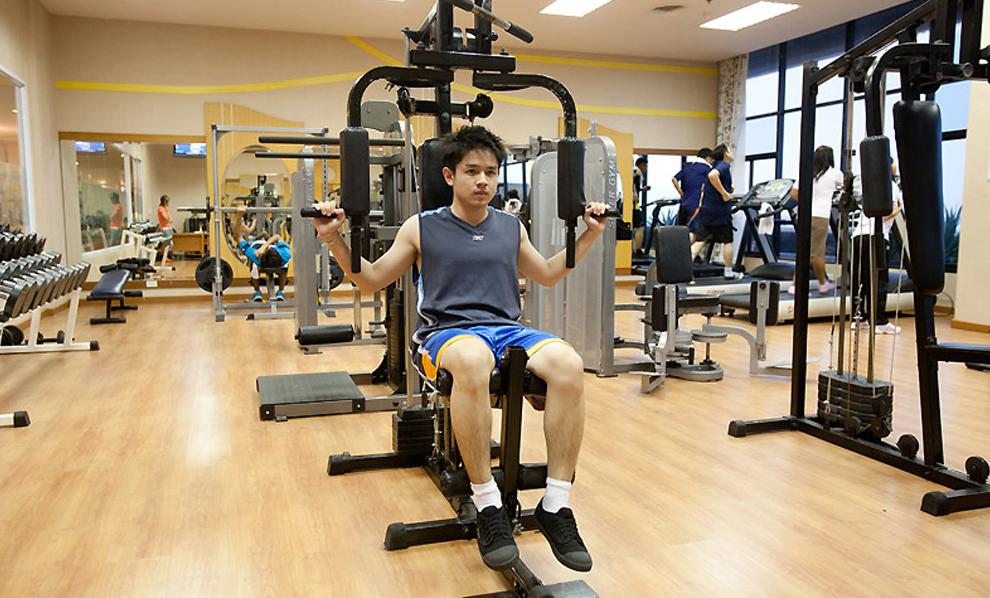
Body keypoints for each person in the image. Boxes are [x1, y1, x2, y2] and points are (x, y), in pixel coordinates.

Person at [311, 126, 607, 573]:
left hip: (507, 329)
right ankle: (487, 503)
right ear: (450, 176)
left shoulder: (511, 227)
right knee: (472, 360)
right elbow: (370, 278)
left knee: (568, 363)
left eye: (491, 171)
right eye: (472, 171)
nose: (483, 181)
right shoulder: (422, 228)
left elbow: (546, 273)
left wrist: (590, 234)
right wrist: (333, 238)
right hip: (445, 334)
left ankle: (556, 504)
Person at [851, 160, 904, 334]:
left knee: (860, 280)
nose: (895, 166)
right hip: (877, 237)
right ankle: (879, 322)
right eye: (893, 163)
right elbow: (885, 215)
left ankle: (858, 319)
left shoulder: (869, 185)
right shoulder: (891, 186)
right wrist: (900, 208)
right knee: (879, 280)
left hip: (859, 236)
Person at [788, 146, 844, 295]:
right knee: (816, 254)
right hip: (820, 217)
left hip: (804, 216)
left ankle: (823, 284)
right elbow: (847, 186)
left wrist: (808, 201)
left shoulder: (807, 173)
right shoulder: (834, 173)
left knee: (808, 251)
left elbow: (793, 194)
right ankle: (796, 286)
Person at [691, 143, 741, 279]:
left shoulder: (714, 166)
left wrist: (728, 188)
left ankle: (682, 271)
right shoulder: (723, 166)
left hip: (707, 209)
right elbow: (713, 176)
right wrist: (724, 193)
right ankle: (729, 272)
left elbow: (705, 185)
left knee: (701, 241)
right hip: (719, 211)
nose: (732, 153)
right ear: (726, 154)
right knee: (727, 241)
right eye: (730, 151)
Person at [234, 205, 291, 302]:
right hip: (266, 248)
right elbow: (277, 236)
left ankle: (257, 292)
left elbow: (238, 237)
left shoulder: (255, 255)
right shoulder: (285, 254)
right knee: (286, 266)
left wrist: (239, 216)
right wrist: (266, 245)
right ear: (275, 250)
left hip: (256, 245)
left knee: (253, 264)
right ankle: (281, 291)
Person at [671, 148, 712, 243]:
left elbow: (674, 179)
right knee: (694, 231)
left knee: (683, 230)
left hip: (685, 203)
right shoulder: (707, 169)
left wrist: (681, 193)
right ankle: (684, 254)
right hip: (696, 203)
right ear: (708, 158)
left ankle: (687, 253)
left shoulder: (687, 168)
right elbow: (705, 185)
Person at [632, 156, 650, 257]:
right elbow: (632, 185)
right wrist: (633, 196)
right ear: (642, 165)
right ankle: (638, 251)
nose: (646, 169)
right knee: (641, 227)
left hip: (631, 204)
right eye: (646, 166)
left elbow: (636, 187)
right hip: (633, 205)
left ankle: (635, 250)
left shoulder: (635, 172)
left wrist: (643, 189)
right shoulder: (636, 171)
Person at [157, 194, 174, 264]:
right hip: (165, 228)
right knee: (168, 244)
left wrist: (168, 220)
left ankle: (166, 257)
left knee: (170, 244)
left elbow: (170, 219)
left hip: (169, 227)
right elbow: (166, 218)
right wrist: (168, 220)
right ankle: (165, 257)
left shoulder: (165, 209)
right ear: (164, 202)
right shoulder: (160, 208)